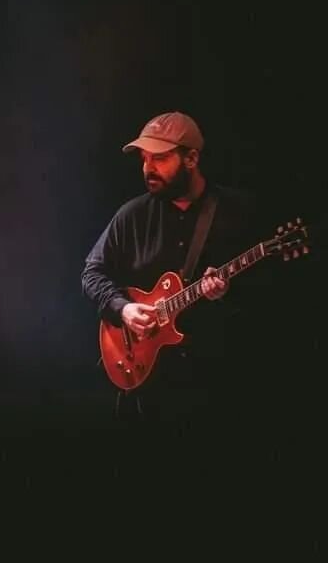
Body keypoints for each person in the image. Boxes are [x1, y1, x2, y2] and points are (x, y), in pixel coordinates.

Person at [81, 111, 272, 452]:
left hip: (219, 379)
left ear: (192, 159)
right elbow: (92, 273)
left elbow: (273, 296)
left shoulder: (239, 212)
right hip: (150, 387)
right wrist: (123, 310)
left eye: (160, 158)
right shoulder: (132, 215)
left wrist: (227, 293)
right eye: (144, 158)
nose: (147, 168)